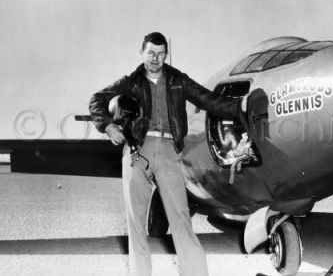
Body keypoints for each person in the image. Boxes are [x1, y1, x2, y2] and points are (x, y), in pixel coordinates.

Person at [89, 32, 248, 276]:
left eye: (161, 54)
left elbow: (211, 101)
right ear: (142, 52)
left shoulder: (178, 80)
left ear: (166, 55)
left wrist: (243, 107)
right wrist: (108, 126)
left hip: (168, 153)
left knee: (181, 222)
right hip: (136, 153)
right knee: (136, 225)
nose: (156, 59)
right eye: (151, 53)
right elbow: (97, 100)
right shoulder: (130, 81)